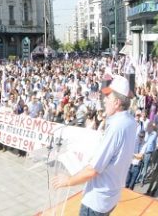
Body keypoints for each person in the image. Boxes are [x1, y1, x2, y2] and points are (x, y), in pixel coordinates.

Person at [52, 75, 138, 216]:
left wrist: (68, 180)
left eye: (108, 98)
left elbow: (93, 170)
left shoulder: (116, 127)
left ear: (117, 103)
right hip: (111, 196)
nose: (104, 101)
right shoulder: (130, 121)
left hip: (96, 202)